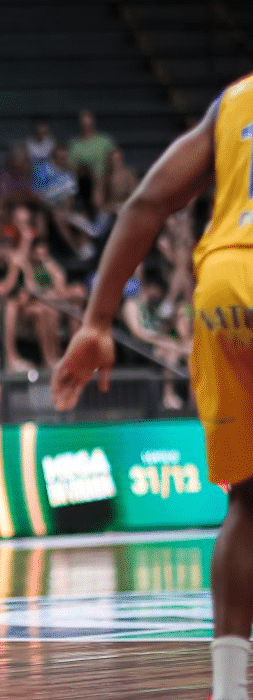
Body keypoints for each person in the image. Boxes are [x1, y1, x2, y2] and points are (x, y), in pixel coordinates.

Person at [50, 77, 244, 700]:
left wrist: (98, 321)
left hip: (227, 285)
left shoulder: (236, 99)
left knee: (246, 502)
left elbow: (144, 203)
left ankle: (229, 688)